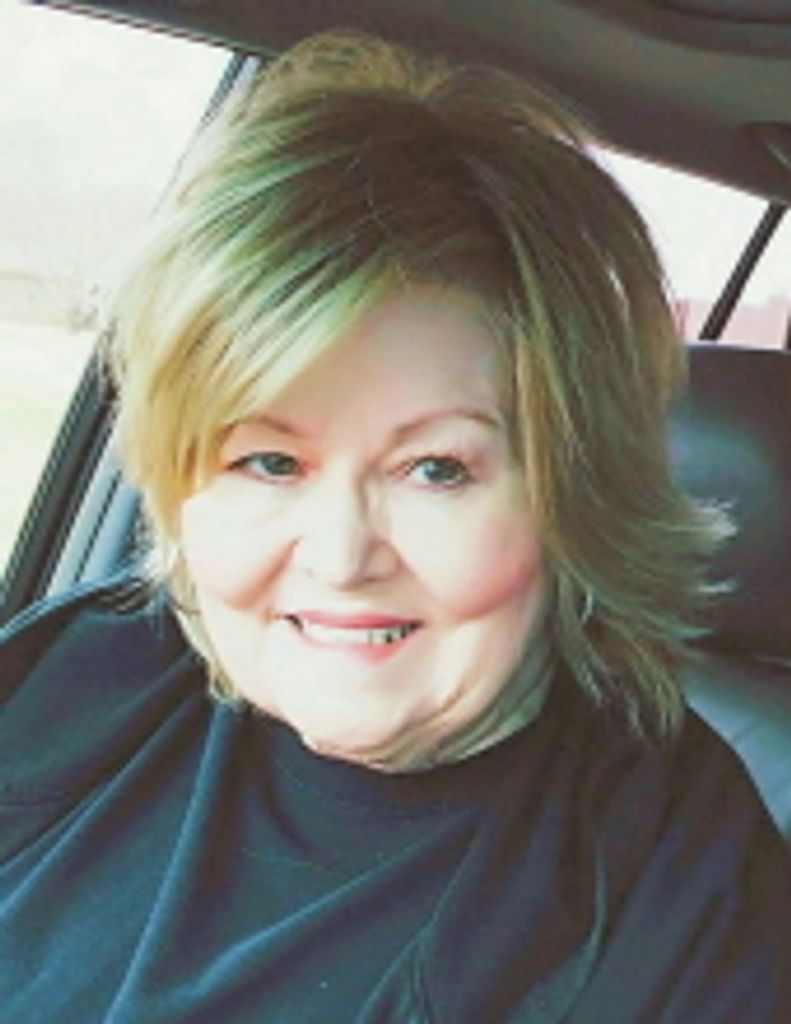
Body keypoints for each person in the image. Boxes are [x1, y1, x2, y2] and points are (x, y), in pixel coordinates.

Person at [1, 30, 788, 1023]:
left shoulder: (682, 899)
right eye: (268, 461)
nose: (339, 556)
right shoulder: (76, 674)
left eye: (435, 469)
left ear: (571, 497)